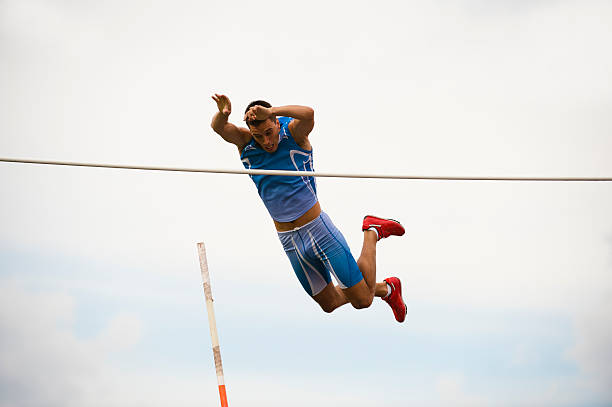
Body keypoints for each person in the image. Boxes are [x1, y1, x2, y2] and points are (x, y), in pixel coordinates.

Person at [210, 94, 407, 322]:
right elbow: (218, 127)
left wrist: (272, 110)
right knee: (329, 303)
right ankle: (387, 289)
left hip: (318, 230)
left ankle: (371, 231)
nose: (266, 141)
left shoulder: (293, 133)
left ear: (276, 122)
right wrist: (223, 115)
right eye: (259, 136)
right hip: (288, 239)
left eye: (268, 133)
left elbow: (309, 113)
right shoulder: (246, 142)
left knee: (362, 300)